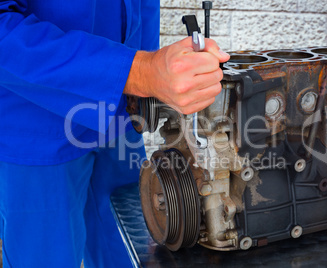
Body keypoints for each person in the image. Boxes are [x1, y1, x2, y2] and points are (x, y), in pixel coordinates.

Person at [0, 0, 230, 267]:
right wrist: (140, 71)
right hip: (37, 127)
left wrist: (149, 80)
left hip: (120, 117)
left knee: (133, 256)